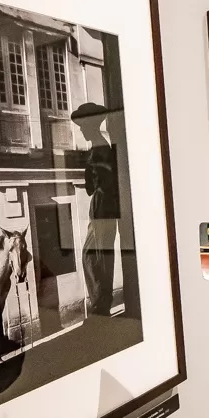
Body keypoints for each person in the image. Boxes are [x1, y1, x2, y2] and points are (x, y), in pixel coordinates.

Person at [72, 102, 119, 316]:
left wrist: (89, 173)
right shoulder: (98, 148)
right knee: (96, 255)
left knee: (95, 256)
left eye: (83, 125)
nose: (81, 130)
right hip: (101, 207)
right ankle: (100, 303)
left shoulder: (99, 149)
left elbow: (93, 186)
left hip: (103, 208)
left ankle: (100, 305)